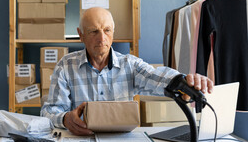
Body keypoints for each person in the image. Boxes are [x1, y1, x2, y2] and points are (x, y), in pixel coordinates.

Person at [40, 7, 214, 135]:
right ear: (81, 35)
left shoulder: (130, 65)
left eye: (107, 30)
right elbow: (49, 112)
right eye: (94, 31)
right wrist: (65, 119)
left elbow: (156, 76)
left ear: (113, 32)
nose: (102, 38)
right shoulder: (65, 66)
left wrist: (183, 81)